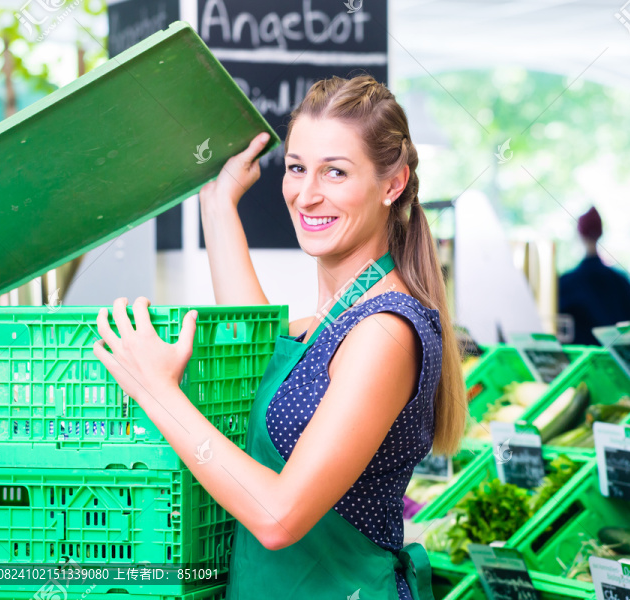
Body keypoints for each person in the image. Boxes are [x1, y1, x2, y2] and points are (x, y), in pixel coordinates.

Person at [92, 75, 466, 599]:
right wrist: (219, 204)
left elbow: (278, 517)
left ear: (392, 184)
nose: (307, 194)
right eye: (296, 168)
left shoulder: (385, 331)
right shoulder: (328, 321)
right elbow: (257, 336)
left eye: (335, 172)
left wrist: (157, 392)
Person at [558, 206, 630, 345]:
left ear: (579, 235)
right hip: (617, 363)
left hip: (580, 365)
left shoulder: (565, 284)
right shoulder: (622, 282)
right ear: (600, 233)